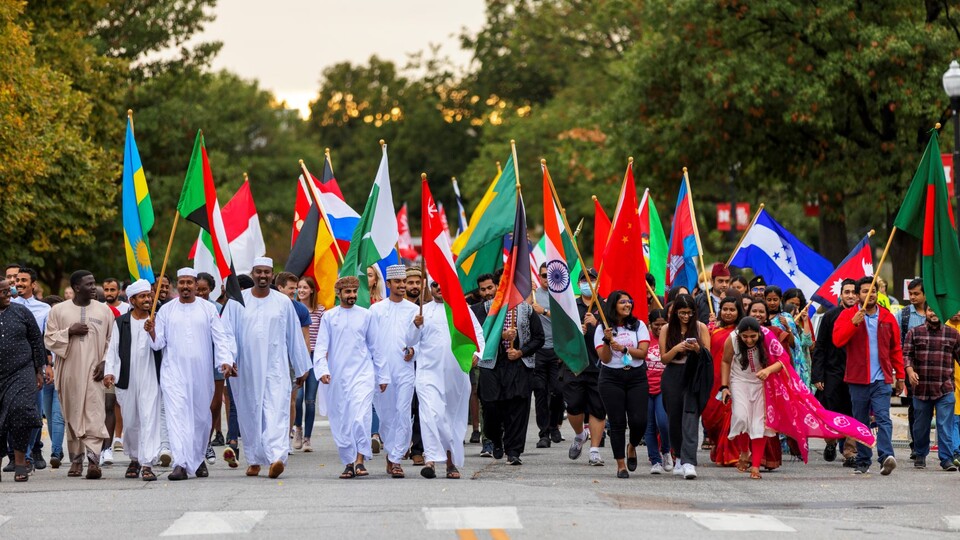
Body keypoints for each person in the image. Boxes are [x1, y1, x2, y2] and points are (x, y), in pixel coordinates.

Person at [719, 317, 875, 479]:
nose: (749, 340)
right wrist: (724, 387)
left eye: (753, 336)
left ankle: (756, 467)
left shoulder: (767, 336)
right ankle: (745, 451)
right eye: (745, 337)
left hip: (762, 383)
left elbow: (784, 360)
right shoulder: (733, 339)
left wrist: (769, 370)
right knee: (740, 417)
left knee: (759, 424)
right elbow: (725, 361)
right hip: (739, 380)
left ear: (759, 333)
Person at [222, 258, 311, 479]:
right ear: (252, 273)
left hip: (276, 367)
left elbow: (294, 335)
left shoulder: (283, 302)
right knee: (250, 413)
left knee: (276, 411)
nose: (263, 276)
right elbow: (226, 334)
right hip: (245, 369)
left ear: (272, 275)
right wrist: (227, 360)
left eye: (267, 272)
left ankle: (276, 458)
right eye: (259, 272)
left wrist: (301, 367)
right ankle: (254, 460)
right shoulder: (237, 301)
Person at [148, 268, 236, 480]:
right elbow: (158, 343)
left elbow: (220, 337)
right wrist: (151, 330)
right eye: (182, 282)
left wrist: (225, 360)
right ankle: (180, 463)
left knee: (200, 419)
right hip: (173, 373)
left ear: (196, 285)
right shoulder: (167, 310)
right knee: (177, 417)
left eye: (189, 282)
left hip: (201, 374)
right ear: (177, 285)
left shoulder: (208, 309)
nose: (185, 286)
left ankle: (198, 460)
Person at [315, 276, 387, 478]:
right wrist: (322, 370)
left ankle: (360, 459)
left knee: (360, 417)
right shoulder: (329, 317)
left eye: (354, 291)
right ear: (339, 294)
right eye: (348, 292)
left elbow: (376, 347)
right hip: (337, 377)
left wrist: (382, 376)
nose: (352, 295)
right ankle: (348, 462)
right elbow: (321, 347)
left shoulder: (365, 315)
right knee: (342, 421)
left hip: (363, 374)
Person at [43, 270, 113, 479]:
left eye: (94, 283)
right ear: (76, 288)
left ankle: (93, 461)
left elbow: (112, 341)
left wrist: (105, 362)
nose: (94, 287)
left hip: (94, 372)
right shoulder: (59, 311)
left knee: (94, 413)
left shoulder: (104, 311)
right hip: (69, 372)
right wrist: (69, 332)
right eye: (89, 284)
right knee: (72, 414)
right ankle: (76, 460)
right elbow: (49, 339)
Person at [411, 280, 484, 479]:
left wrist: (478, 353)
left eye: (444, 284)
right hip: (428, 373)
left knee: (451, 419)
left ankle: (451, 464)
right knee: (431, 415)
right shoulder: (421, 311)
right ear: (431, 288)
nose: (440, 288)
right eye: (436, 285)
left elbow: (478, 335)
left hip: (456, 374)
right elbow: (410, 342)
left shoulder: (463, 310)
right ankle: (430, 461)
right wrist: (415, 327)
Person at [833, 276, 905, 475]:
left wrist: (900, 376)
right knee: (860, 421)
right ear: (857, 295)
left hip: (881, 378)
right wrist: (853, 324)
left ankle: (886, 457)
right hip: (857, 379)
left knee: (883, 417)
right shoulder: (848, 315)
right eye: (865, 291)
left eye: (873, 291)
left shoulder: (887, 317)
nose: (870, 294)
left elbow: (895, 349)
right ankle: (863, 460)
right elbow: (837, 340)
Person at [475, 287, 545, 466]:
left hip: (518, 365)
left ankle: (514, 451)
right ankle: (496, 439)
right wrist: (501, 336)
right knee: (491, 407)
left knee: (517, 408)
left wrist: (521, 351)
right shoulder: (486, 309)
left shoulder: (526, 310)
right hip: (492, 365)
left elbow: (539, 338)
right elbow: (478, 334)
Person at [102, 280, 163, 481]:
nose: (147, 299)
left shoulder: (157, 319)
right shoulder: (121, 322)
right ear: (132, 300)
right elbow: (113, 350)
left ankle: (147, 463)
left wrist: (152, 330)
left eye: (149, 295)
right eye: (143, 296)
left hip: (150, 378)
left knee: (149, 419)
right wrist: (109, 372)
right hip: (127, 378)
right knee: (129, 422)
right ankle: (134, 458)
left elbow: (160, 345)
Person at [368, 265, 420, 478]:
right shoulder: (376, 310)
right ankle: (391, 452)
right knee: (386, 414)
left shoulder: (415, 311)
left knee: (403, 412)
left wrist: (414, 350)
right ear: (388, 284)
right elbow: (370, 342)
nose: (401, 286)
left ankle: (397, 458)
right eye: (397, 282)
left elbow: (422, 342)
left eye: (403, 282)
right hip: (382, 370)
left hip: (405, 370)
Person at [596, 290, 650, 478]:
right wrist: (607, 341)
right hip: (611, 378)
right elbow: (604, 358)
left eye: (629, 301)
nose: (627, 305)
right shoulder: (602, 327)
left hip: (636, 376)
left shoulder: (639, 325)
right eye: (622, 302)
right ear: (613, 305)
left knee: (639, 421)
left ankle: (632, 446)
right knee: (617, 422)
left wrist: (625, 348)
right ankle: (620, 464)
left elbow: (643, 353)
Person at [658, 293, 711, 479]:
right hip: (673, 374)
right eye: (682, 313)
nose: (686, 316)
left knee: (690, 417)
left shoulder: (701, 327)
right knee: (674, 418)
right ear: (675, 313)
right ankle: (678, 456)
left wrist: (697, 349)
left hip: (694, 376)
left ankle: (689, 461)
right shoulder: (666, 329)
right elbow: (663, 358)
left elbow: (708, 355)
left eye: (689, 313)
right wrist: (677, 348)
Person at [902, 303, 960, 471]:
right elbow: (907, 355)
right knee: (921, 426)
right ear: (925, 312)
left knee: (945, 425)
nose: (933, 313)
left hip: (945, 388)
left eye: (936, 309)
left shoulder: (953, 334)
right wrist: (910, 371)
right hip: (921, 389)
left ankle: (946, 459)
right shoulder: (915, 332)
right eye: (930, 309)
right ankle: (920, 454)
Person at [0, 278, 45, 482]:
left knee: (22, 412)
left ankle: (20, 462)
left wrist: (39, 370)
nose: (8, 294)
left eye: (8, 291)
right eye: (3, 292)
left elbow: (36, 339)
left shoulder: (21, 312)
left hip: (22, 371)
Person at [562, 269, 608, 466]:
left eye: (592, 279)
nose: (588, 283)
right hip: (575, 365)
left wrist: (597, 323)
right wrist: (575, 332)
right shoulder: (570, 305)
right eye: (584, 280)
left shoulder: (605, 306)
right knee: (573, 406)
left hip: (599, 365)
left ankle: (595, 450)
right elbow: (561, 335)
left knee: (598, 410)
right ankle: (580, 435)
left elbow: (614, 334)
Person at [811, 278, 859, 466]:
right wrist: (818, 375)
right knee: (830, 412)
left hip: (855, 373)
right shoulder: (830, 316)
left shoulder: (863, 316)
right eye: (846, 292)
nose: (850, 296)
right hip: (832, 373)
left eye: (854, 292)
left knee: (853, 412)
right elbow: (820, 346)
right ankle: (830, 442)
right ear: (840, 294)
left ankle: (850, 452)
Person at [12, 267, 51, 472]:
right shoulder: (8, 306)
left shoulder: (44, 309)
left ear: (33, 284)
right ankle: (20, 456)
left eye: (23, 280)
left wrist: (46, 366)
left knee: (35, 412)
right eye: (17, 280)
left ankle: (28, 452)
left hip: (34, 365)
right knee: (12, 412)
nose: (19, 283)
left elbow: (44, 340)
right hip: (10, 366)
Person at [703, 296, 742, 466]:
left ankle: (730, 454)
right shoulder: (713, 331)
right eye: (725, 309)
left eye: (732, 309)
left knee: (731, 417)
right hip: (713, 381)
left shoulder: (742, 332)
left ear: (738, 311)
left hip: (735, 380)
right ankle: (719, 448)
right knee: (710, 419)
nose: (728, 312)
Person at [533, 263, 565, 448]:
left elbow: (564, 320)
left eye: (549, 276)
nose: (547, 279)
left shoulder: (560, 296)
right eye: (544, 275)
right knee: (540, 393)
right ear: (540, 276)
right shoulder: (533, 295)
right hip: (538, 351)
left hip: (556, 351)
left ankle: (554, 425)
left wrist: (543, 311)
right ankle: (543, 433)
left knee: (558, 392)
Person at [196, 271, 226, 453]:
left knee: (215, 404)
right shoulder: (187, 307)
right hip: (196, 362)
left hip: (216, 361)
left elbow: (225, 336)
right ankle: (197, 441)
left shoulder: (218, 309)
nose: (200, 294)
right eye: (197, 290)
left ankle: (207, 440)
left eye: (204, 290)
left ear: (211, 290)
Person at [898, 278, 926, 461]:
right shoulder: (904, 314)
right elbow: (896, 342)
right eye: (911, 294)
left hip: (936, 367)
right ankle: (916, 445)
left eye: (917, 294)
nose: (913, 297)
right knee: (915, 407)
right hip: (911, 368)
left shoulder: (935, 312)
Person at [294, 276, 323, 452]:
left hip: (313, 358)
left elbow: (323, 335)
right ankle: (298, 428)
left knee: (310, 400)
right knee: (297, 398)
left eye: (305, 287)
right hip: (297, 357)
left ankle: (307, 439)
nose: (302, 290)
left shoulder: (320, 311)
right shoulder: (292, 309)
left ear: (312, 290)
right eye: (299, 287)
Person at [472, 273, 498, 456]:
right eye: (483, 289)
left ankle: (503, 439)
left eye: (490, 288)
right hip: (484, 364)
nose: (487, 292)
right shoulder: (474, 311)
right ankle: (487, 441)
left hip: (506, 362)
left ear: (497, 286)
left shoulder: (508, 309)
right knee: (486, 403)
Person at [643, 309, 671, 473]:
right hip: (645, 388)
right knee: (649, 426)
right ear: (650, 324)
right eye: (656, 325)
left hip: (663, 388)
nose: (660, 328)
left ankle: (666, 451)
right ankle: (655, 460)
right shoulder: (644, 339)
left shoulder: (670, 339)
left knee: (663, 423)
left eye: (663, 324)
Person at [782, 288, 815, 391]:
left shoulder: (802, 324)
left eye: (797, 305)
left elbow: (807, 343)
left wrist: (805, 322)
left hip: (802, 369)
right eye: (792, 303)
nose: (795, 307)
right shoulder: (780, 322)